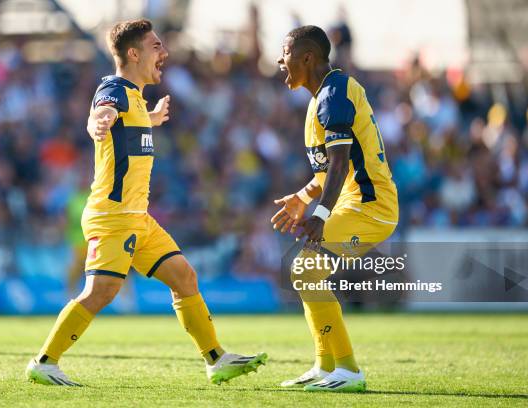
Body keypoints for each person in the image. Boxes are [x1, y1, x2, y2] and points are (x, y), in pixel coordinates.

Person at [25, 19, 266, 387]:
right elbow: (101, 112)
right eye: (156, 46)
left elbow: (126, 126)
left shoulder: (136, 99)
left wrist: (149, 119)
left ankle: (216, 359)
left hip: (137, 217)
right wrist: (98, 121)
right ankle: (43, 362)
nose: (164, 53)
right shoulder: (115, 89)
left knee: (184, 276)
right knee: (101, 292)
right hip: (114, 215)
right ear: (134, 53)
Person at [272, 25, 398, 392]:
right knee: (305, 273)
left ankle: (347, 368)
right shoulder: (320, 100)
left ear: (307, 57)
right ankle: (326, 365)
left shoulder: (333, 94)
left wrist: (321, 214)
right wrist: (303, 196)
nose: (280, 61)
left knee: (304, 269)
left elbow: (342, 165)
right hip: (353, 203)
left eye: (286, 53)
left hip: (371, 208)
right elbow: (328, 171)